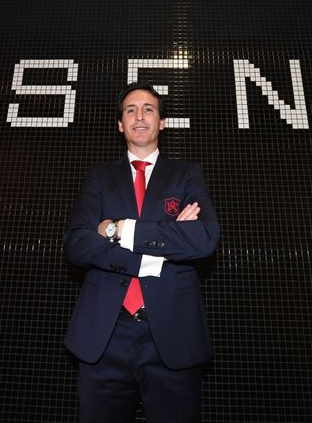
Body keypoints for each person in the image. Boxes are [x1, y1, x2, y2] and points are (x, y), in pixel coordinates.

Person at [63, 83, 221, 422]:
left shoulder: (187, 174)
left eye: (148, 109)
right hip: (105, 338)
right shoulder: (99, 178)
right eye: (130, 109)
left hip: (172, 336)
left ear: (162, 122)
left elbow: (205, 239)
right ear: (120, 124)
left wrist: (117, 229)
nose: (139, 116)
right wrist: (161, 248)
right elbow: (76, 243)